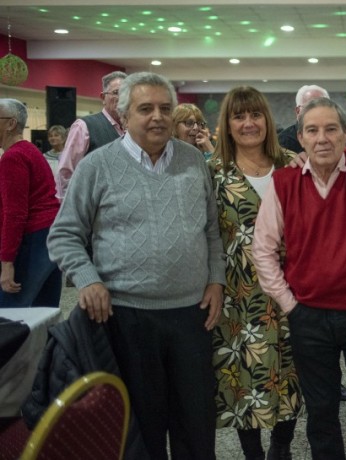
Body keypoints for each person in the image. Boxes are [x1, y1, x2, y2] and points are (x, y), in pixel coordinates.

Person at [47, 72, 226, 460]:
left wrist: (216, 279)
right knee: (139, 430)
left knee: (196, 425)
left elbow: (211, 230)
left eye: (165, 108)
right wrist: (87, 279)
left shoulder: (195, 160)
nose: (157, 117)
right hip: (125, 317)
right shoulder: (97, 166)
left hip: (191, 316)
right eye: (145, 109)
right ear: (124, 115)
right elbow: (63, 235)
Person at [253, 97, 346, 460]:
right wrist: (291, 305)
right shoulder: (284, 182)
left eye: (331, 129)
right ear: (301, 138)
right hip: (309, 317)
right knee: (321, 416)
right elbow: (263, 250)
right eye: (312, 130)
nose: (322, 138)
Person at [209, 86, 301, 460]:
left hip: (292, 293)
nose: (249, 123)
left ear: (268, 119)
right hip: (237, 297)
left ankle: (282, 447)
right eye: (239, 116)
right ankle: (253, 454)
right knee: (243, 379)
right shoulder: (212, 172)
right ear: (228, 125)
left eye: (255, 115)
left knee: (291, 376)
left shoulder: (294, 164)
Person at [0, 99, 62, 307]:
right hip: (51, 235)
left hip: (33, 238)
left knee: (10, 313)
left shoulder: (13, 157)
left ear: (10, 124)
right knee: (44, 312)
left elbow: (15, 214)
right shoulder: (31, 151)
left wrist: (7, 263)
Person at [55, 70, 127, 201]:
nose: (122, 98)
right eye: (116, 93)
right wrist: (67, 208)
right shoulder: (83, 126)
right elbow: (66, 172)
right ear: (103, 97)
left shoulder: (132, 130)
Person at [277, 84, 329, 153]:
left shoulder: (334, 134)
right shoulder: (284, 141)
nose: (318, 112)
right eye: (310, 107)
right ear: (298, 111)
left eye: (323, 107)